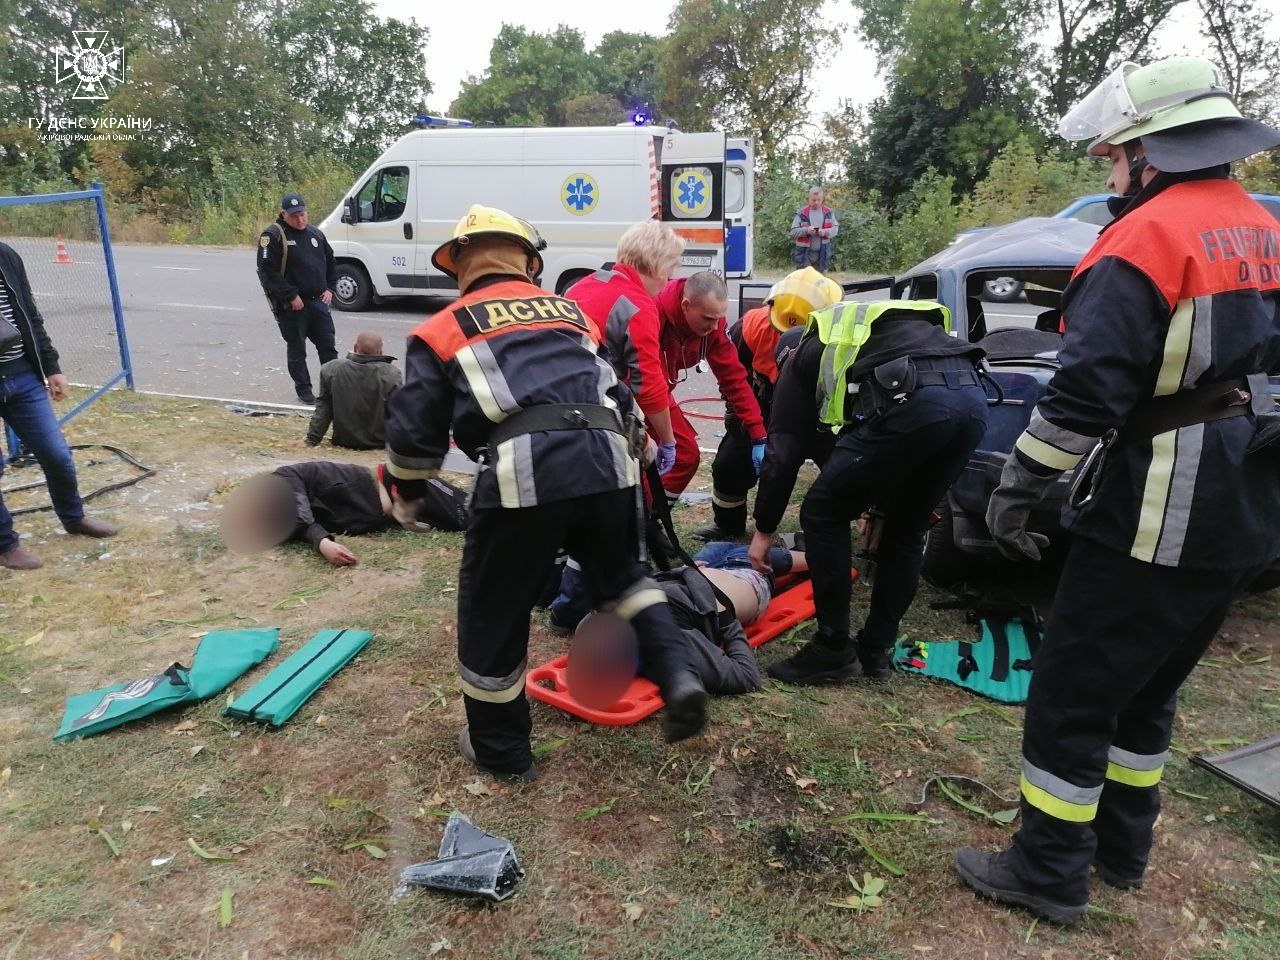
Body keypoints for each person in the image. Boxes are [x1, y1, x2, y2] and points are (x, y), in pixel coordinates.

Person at [954, 57, 1280, 925]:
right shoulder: (1263, 230)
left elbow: (1082, 396)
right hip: (1248, 514)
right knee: (1148, 690)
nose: (1109, 176)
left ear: (1151, 154)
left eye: (1114, 158)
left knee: (1069, 696)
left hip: (1156, 515)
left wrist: (1017, 489)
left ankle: (1048, 868)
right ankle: (1122, 849)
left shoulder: (1144, 240)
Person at [384, 204, 708, 782]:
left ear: (459, 265)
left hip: (523, 470)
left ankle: (502, 752)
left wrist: (405, 491)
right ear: (529, 263)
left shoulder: (442, 328)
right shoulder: (568, 313)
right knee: (626, 579)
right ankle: (678, 673)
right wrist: (640, 448)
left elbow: (414, 437)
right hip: (609, 459)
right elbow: (613, 385)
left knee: (493, 612)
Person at [748, 299, 988, 683]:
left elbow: (783, 454)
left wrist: (762, 532)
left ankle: (831, 650)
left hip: (916, 399)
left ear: (787, 355)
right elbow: (872, 448)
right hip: (972, 398)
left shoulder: (799, 356)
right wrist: (877, 507)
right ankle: (877, 651)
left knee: (823, 513)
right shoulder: (860, 338)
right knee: (906, 529)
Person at [696, 267, 843, 539]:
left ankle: (834, 527)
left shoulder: (842, 339)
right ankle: (728, 525)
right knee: (729, 465)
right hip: (761, 408)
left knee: (844, 470)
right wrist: (737, 416)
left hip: (819, 414)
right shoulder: (750, 329)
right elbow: (732, 376)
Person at [0, 241, 118, 571]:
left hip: (22, 374)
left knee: (56, 454)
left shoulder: (6, 255)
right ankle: (6, 545)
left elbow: (29, 313)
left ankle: (74, 517)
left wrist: (51, 367)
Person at [566, 222, 686, 485]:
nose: (668, 280)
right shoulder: (638, 305)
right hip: (600, 406)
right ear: (656, 265)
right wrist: (667, 441)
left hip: (564, 400)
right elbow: (650, 386)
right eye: (669, 270)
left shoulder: (582, 285)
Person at [221, 461, 469, 567]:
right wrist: (320, 540)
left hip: (398, 483)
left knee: (469, 514)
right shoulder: (287, 523)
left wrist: (322, 543)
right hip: (397, 513)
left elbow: (301, 513)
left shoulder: (283, 478)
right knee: (464, 522)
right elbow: (302, 523)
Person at [652, 271, 766, 498]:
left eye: (718, 318)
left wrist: (758, 433)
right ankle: (637, 515)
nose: (715, 327)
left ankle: (653, 514)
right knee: (636, 455)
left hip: (661, 391)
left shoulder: (713, 325)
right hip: (637, 388)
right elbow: (644, 381)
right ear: (686, 305)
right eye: (707, 318)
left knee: (685, 456)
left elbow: (734, 378)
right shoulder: (653, 312)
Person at [256, 193, 338, 405]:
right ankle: (304, 390)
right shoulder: (273, 236)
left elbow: (331, 262)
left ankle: (333, 390)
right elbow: (267, 272)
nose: (300, 220)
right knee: (297, 349)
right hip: (293, 306)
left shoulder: (316, 234)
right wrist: (291, 295)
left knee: (328, 348)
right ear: (284, 214)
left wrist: (330, 287)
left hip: (318, 303)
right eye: (294, 216)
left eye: (302, 214)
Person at [305, 331, 402, 449]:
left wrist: (312, 439)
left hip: (345, 441)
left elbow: (324, 408)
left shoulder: (331, 369)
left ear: (355, 347)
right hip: (379, 442)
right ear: (380, 352)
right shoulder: (392, 374)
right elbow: (398, 413)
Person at [790, 187, 838, 272]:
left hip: (823, 254)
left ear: (822, 199)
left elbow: (835, 229)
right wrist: (807, 230)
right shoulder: (801, 213)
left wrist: (825, 232)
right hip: (804, 255)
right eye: (813, 200)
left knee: (820, 283)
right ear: (809, 199)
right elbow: (793, 232)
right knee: (805, 282)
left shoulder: (829, 212)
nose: (816, 202)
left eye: (818, 200)